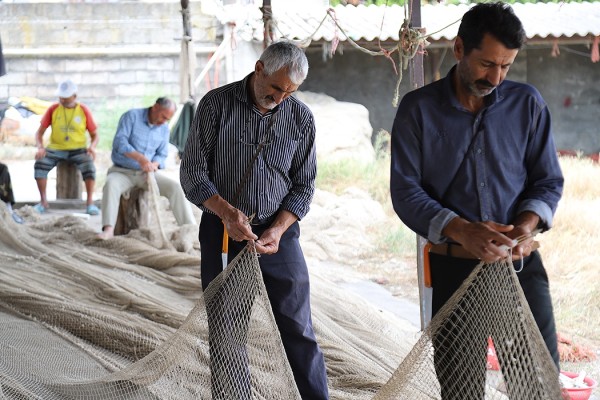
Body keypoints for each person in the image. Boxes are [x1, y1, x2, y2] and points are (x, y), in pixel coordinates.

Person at [390, 2, 563, 399]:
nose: (496, 77)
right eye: (486, 64)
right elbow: (406, 192)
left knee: (535, 383)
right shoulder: (419, 110)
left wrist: (526, 225)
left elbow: (548, 181)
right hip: (454, 270)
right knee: (461, 389)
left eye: (506, 66)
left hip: (519, 267)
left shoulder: (527, 105)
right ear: (459, 49)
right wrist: (462, 230)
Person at [180, 41, 329, 399]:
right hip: (224, 231)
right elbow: (193, 175)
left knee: (297, 325)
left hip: (279, 234)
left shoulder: (300, 117)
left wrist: (278, 229)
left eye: (289, 92)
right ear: (259, 68)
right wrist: (228, 214)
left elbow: (303, 186)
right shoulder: (216, 104)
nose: (280, 98)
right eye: (276, 87)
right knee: (227, 328)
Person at [98, 97, 196, 239]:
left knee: (175, 187)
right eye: (163, 116)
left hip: (147, 175)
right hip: (122, 171)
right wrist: (141, 159)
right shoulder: (132, 116)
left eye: (167, 119)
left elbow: (162, 154)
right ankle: (108, 230)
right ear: (155, 107)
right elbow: (120, 142)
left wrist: (154, 164)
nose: (164, 121)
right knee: (110, 185)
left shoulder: (163, 128)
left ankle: (189, 229)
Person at [33, 79, 100, 215]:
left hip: (79, 149)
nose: (62, 100)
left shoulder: (83, 110)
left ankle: (90, 203)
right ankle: (43, 202)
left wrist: (92, 147)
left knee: (89, 167)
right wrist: (40, 147)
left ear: (74, 96)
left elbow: (95, 135)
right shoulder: (53, 109)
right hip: (56, 149)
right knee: (40, 164)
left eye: (66, 97)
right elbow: (39, 133)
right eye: (61, 97)